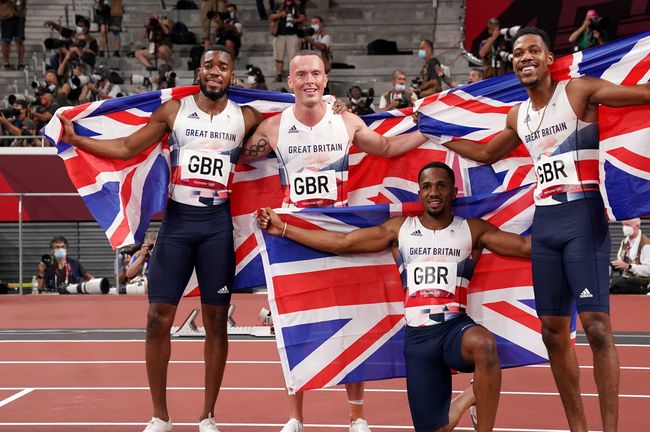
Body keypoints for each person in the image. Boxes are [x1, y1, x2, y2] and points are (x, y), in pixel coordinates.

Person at [433, 18, 650, 432]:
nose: (524, 57)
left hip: (583, 218)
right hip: (547, 226)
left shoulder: (577, 91)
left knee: (596, 328)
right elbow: (487, 154)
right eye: (518, 53)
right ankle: (578, 428)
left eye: (532, 51)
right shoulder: (517, 116)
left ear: (549, 59)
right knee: (552, 333)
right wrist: (437, 131)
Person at [58, 45, 271, 432]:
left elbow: (295, 125)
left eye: (223, 66)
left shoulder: (246, 117)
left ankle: (207, 415)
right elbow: (126, 148)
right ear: (198, 72)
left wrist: (327, 108)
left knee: (216, 321)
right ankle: (160, 416)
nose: (214, 71)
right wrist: (78, 140)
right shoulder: (176, 111)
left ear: (232, 76)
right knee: (157, 318)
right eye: (208, 65)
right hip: (178, 224)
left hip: (217, 227)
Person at [257, 162, 531, 432]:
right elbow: (344, 243)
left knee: (484, 345)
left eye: (441, 186)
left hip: (454, 329)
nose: (433, 192)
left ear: (453, 192)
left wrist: (567, 217)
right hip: (419, 338)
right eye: (426, 187)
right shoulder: (400, 230)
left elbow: (522, 246)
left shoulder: (472, 230)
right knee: (436, 428)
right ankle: (467, 399)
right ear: (419, 193)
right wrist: (283, 229)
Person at [243, 50, 428, 432]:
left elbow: (388, 148)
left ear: (325, 80)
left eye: (316, 73)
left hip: (338, 228)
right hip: (290, 235)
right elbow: (238, 154)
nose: (309, 80)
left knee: (353, 322)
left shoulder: (345, 120)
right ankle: (295, 417)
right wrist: (247, 114)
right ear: (291, 82)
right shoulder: (273, 127)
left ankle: (357, 415)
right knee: (295, 324)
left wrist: (430, 128)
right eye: (301, 74)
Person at [609, 218, 650, 294]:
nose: (624, 228)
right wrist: (615, 265)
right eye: (623, 225)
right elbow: (621, 261)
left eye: (627, 225)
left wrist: (628, 267)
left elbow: (648, 270)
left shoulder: (646, 245)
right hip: (626, 281)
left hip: (643, 283)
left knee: (618, 284)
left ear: (637, 226)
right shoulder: (624, 242)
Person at [270, 0, 304, 82]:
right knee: (278, 56)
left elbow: (302, 17)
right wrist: (280, 14)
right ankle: (278, 75)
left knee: (294, 56)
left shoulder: (297, 5)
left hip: (293, 33)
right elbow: (272, 16)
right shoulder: (279, 4)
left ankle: (294, 75)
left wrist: (295, 20)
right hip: (279, 34)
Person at [0, 0, 25, 69]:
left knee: (19, 39)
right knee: (6, 40)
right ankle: (6, 63)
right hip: (6, 14)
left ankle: (21, 63)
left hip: (19, 14)